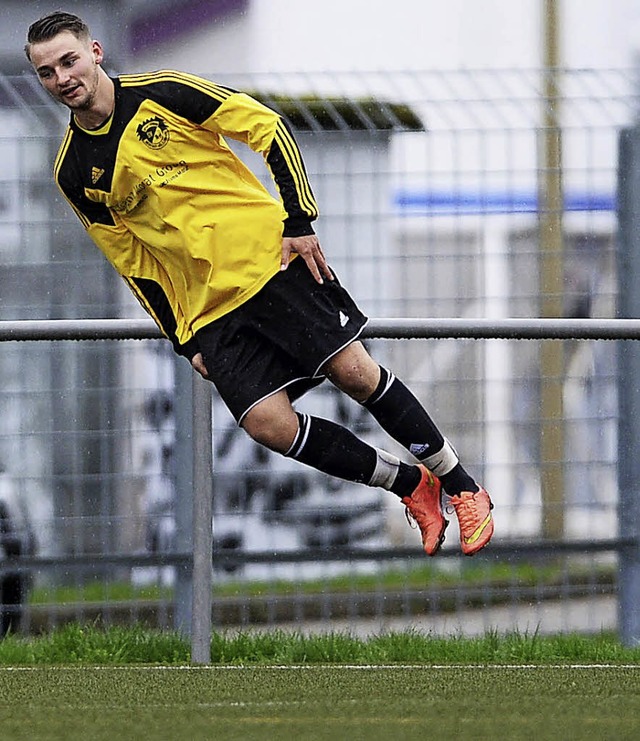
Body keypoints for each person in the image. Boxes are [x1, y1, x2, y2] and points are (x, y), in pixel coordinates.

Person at [25, 11, 494, 557]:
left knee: (354, 371)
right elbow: (133, 262)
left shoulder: (164, 92)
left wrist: (298, 219)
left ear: (96, 52)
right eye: (46, 72)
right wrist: (185, 338)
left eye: (69, 60)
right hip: (209, 308)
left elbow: (266, 125)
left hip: (269, 262)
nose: (62, 78)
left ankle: (463, 485)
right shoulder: (71, 171)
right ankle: (412, 485)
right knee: (268, 425)